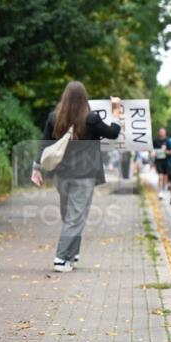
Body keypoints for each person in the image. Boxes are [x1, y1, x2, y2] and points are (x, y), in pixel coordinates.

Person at [31, 82, 123, 272]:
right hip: (84, 176)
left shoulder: (54, 118)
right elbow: (113, 133)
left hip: (60, 176)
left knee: (70, 216)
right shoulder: (91, 119)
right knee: (75, 217)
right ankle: (61, 258)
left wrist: (36, 168)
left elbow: (44, 144)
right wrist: (116, 112)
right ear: (84, 99)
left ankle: (72, 254)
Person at [153, 127, 168, 199]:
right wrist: (153, 153)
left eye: (163, 131)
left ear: (165, 133)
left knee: (165, 177)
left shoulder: (168, 141)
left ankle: (164, 188)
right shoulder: (156, 141)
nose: (162, 133)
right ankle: (160, 191)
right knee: (160, 176)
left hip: (166, 161)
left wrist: (166, 150)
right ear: (159, 133)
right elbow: (152, 150)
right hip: (158, 161)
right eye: (160, 131)